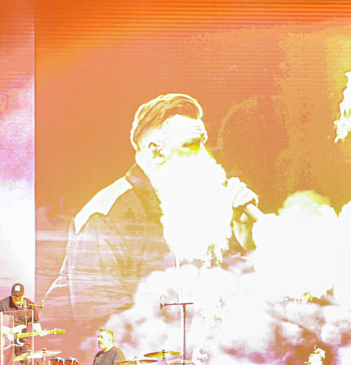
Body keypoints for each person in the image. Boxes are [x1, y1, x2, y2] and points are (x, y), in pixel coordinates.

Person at [44, 93, 260, 331]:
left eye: (203, 144)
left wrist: (245, 238)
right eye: (191, 146)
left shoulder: (190, 205)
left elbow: (229, 292)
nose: (207, 157)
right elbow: (102, 329)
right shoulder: (104, 216)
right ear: (157, 152)